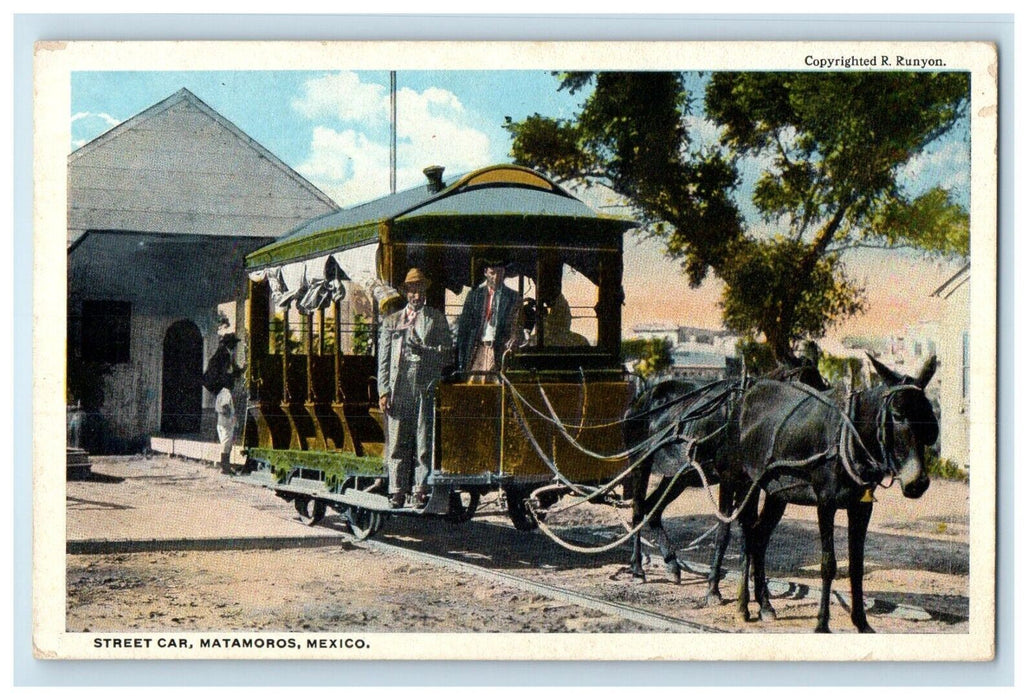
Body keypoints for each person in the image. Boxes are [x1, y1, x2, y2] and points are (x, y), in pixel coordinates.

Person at [377, 268, 452, 508]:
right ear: (406, 292)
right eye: (412, 290)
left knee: (423, 439)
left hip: (425, 384)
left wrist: (427, 352)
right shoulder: (392, 321)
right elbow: (384, 360)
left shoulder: (436, 319)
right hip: (399, 386)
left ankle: (420, 489)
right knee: (398, 440)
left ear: (425, 291)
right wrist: (383, 390)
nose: (416, 295)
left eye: (420, 289)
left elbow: (447, 354)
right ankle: (396, 490)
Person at [455, 256, 522, 382]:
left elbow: (517, 325)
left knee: (497, 392)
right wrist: (461, 361)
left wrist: (514, 338)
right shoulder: (474, 296)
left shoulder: (513, 298)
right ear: (485, 272)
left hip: (499, 353)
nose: (496, 277)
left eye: (500, 272)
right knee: (474, 390)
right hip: (477, 352)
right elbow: (463, 331)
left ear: (504, 273)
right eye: (492, 273)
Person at [203, 332, 244, 474]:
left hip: (218, 390)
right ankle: (224, 466)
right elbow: (226, 372)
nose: (235, 347)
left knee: (225, 439)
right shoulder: (224, 355)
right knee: (227, 439)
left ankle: (225, 465)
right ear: (230, 344)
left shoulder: (222, 354)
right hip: (220, 389)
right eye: (234, 344)